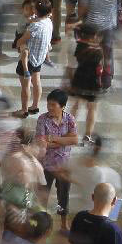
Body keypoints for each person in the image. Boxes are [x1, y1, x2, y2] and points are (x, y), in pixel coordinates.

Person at [35, 88, 78, 231]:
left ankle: (63, 223)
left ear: (63, 106)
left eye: (53, 105)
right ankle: (41, 223)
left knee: (63, 197)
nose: (49, 107)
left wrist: (52, 139)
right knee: (43, 196)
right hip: (46, 165)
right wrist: (64, 140)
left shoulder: (70, 119)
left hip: (64, 167)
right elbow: (42, 143)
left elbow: (75, 140)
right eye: (48, 104)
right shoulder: (42, 119)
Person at [13, 0, 53, 118]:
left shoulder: (35, 26)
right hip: (39, 57)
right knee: (37, 82)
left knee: (25, 86)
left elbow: (22, 40)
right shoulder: (48, 22)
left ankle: (24, 110)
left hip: (29, 58)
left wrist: (17, 43)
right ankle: (35, 106)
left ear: (36, 10)